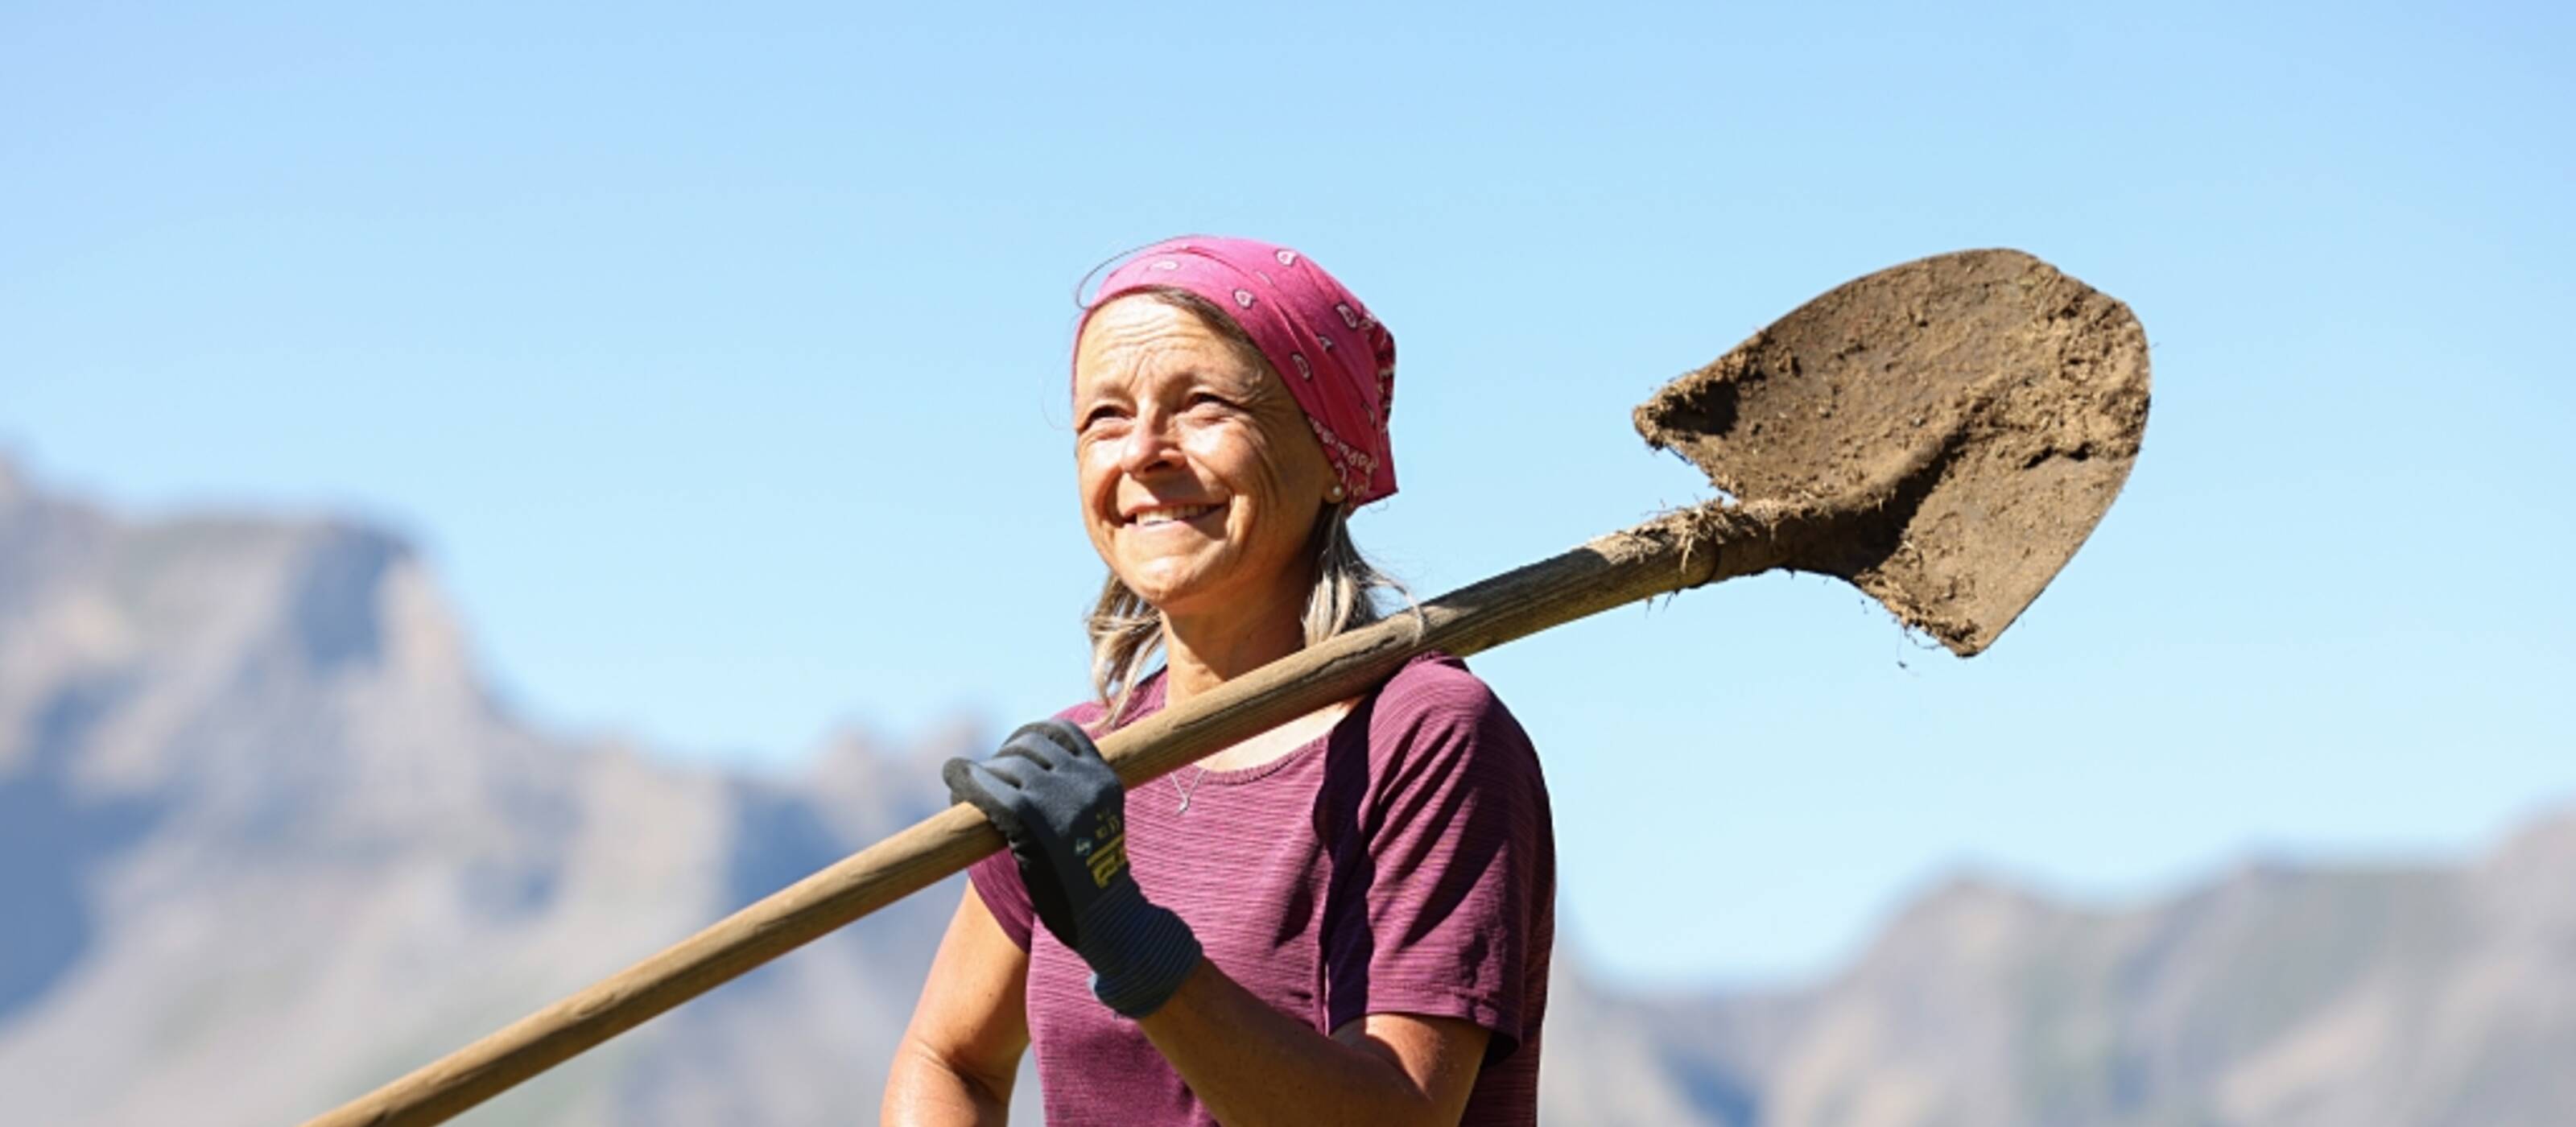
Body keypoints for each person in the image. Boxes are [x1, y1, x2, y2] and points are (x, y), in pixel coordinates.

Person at [881, 236, 1554, 1126]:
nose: (1145, 452)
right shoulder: (1083, 769)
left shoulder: (1421, 735)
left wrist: (1125, 931)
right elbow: (949, 1059)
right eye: (1105, 418)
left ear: (1329, 451)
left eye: (1200, 405)